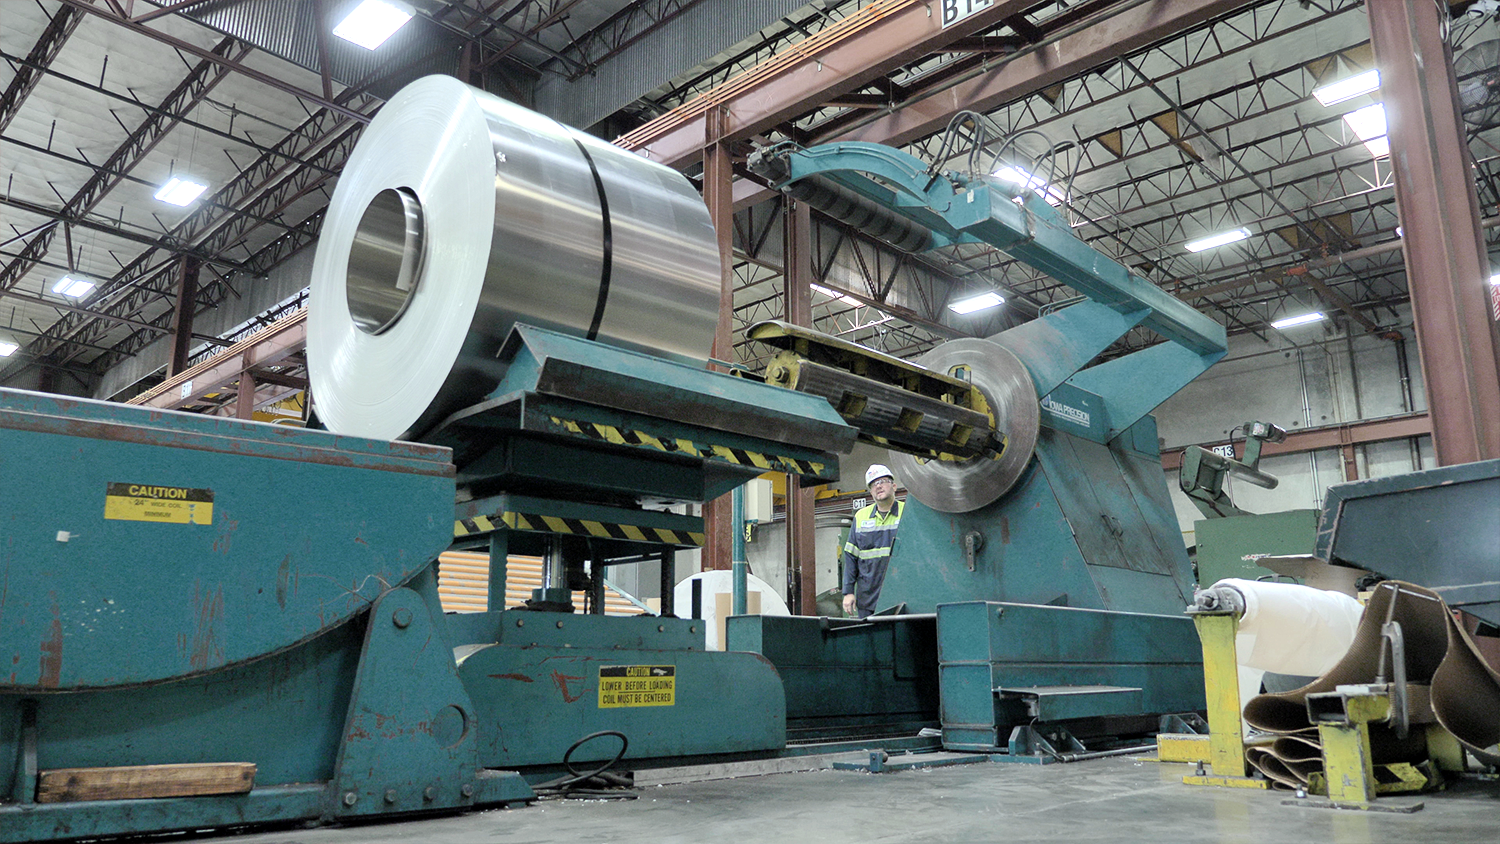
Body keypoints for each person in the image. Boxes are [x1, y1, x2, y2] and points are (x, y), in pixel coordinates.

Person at [840, 464, 903, 618]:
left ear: (894, 486)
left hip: (902, 594)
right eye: (873, 484)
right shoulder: (860, 517)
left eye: (882, 481)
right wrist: (848, 592)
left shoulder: (906, 512)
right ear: (870, 491)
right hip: (868, 598)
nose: (878, 486)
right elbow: (850, 557)